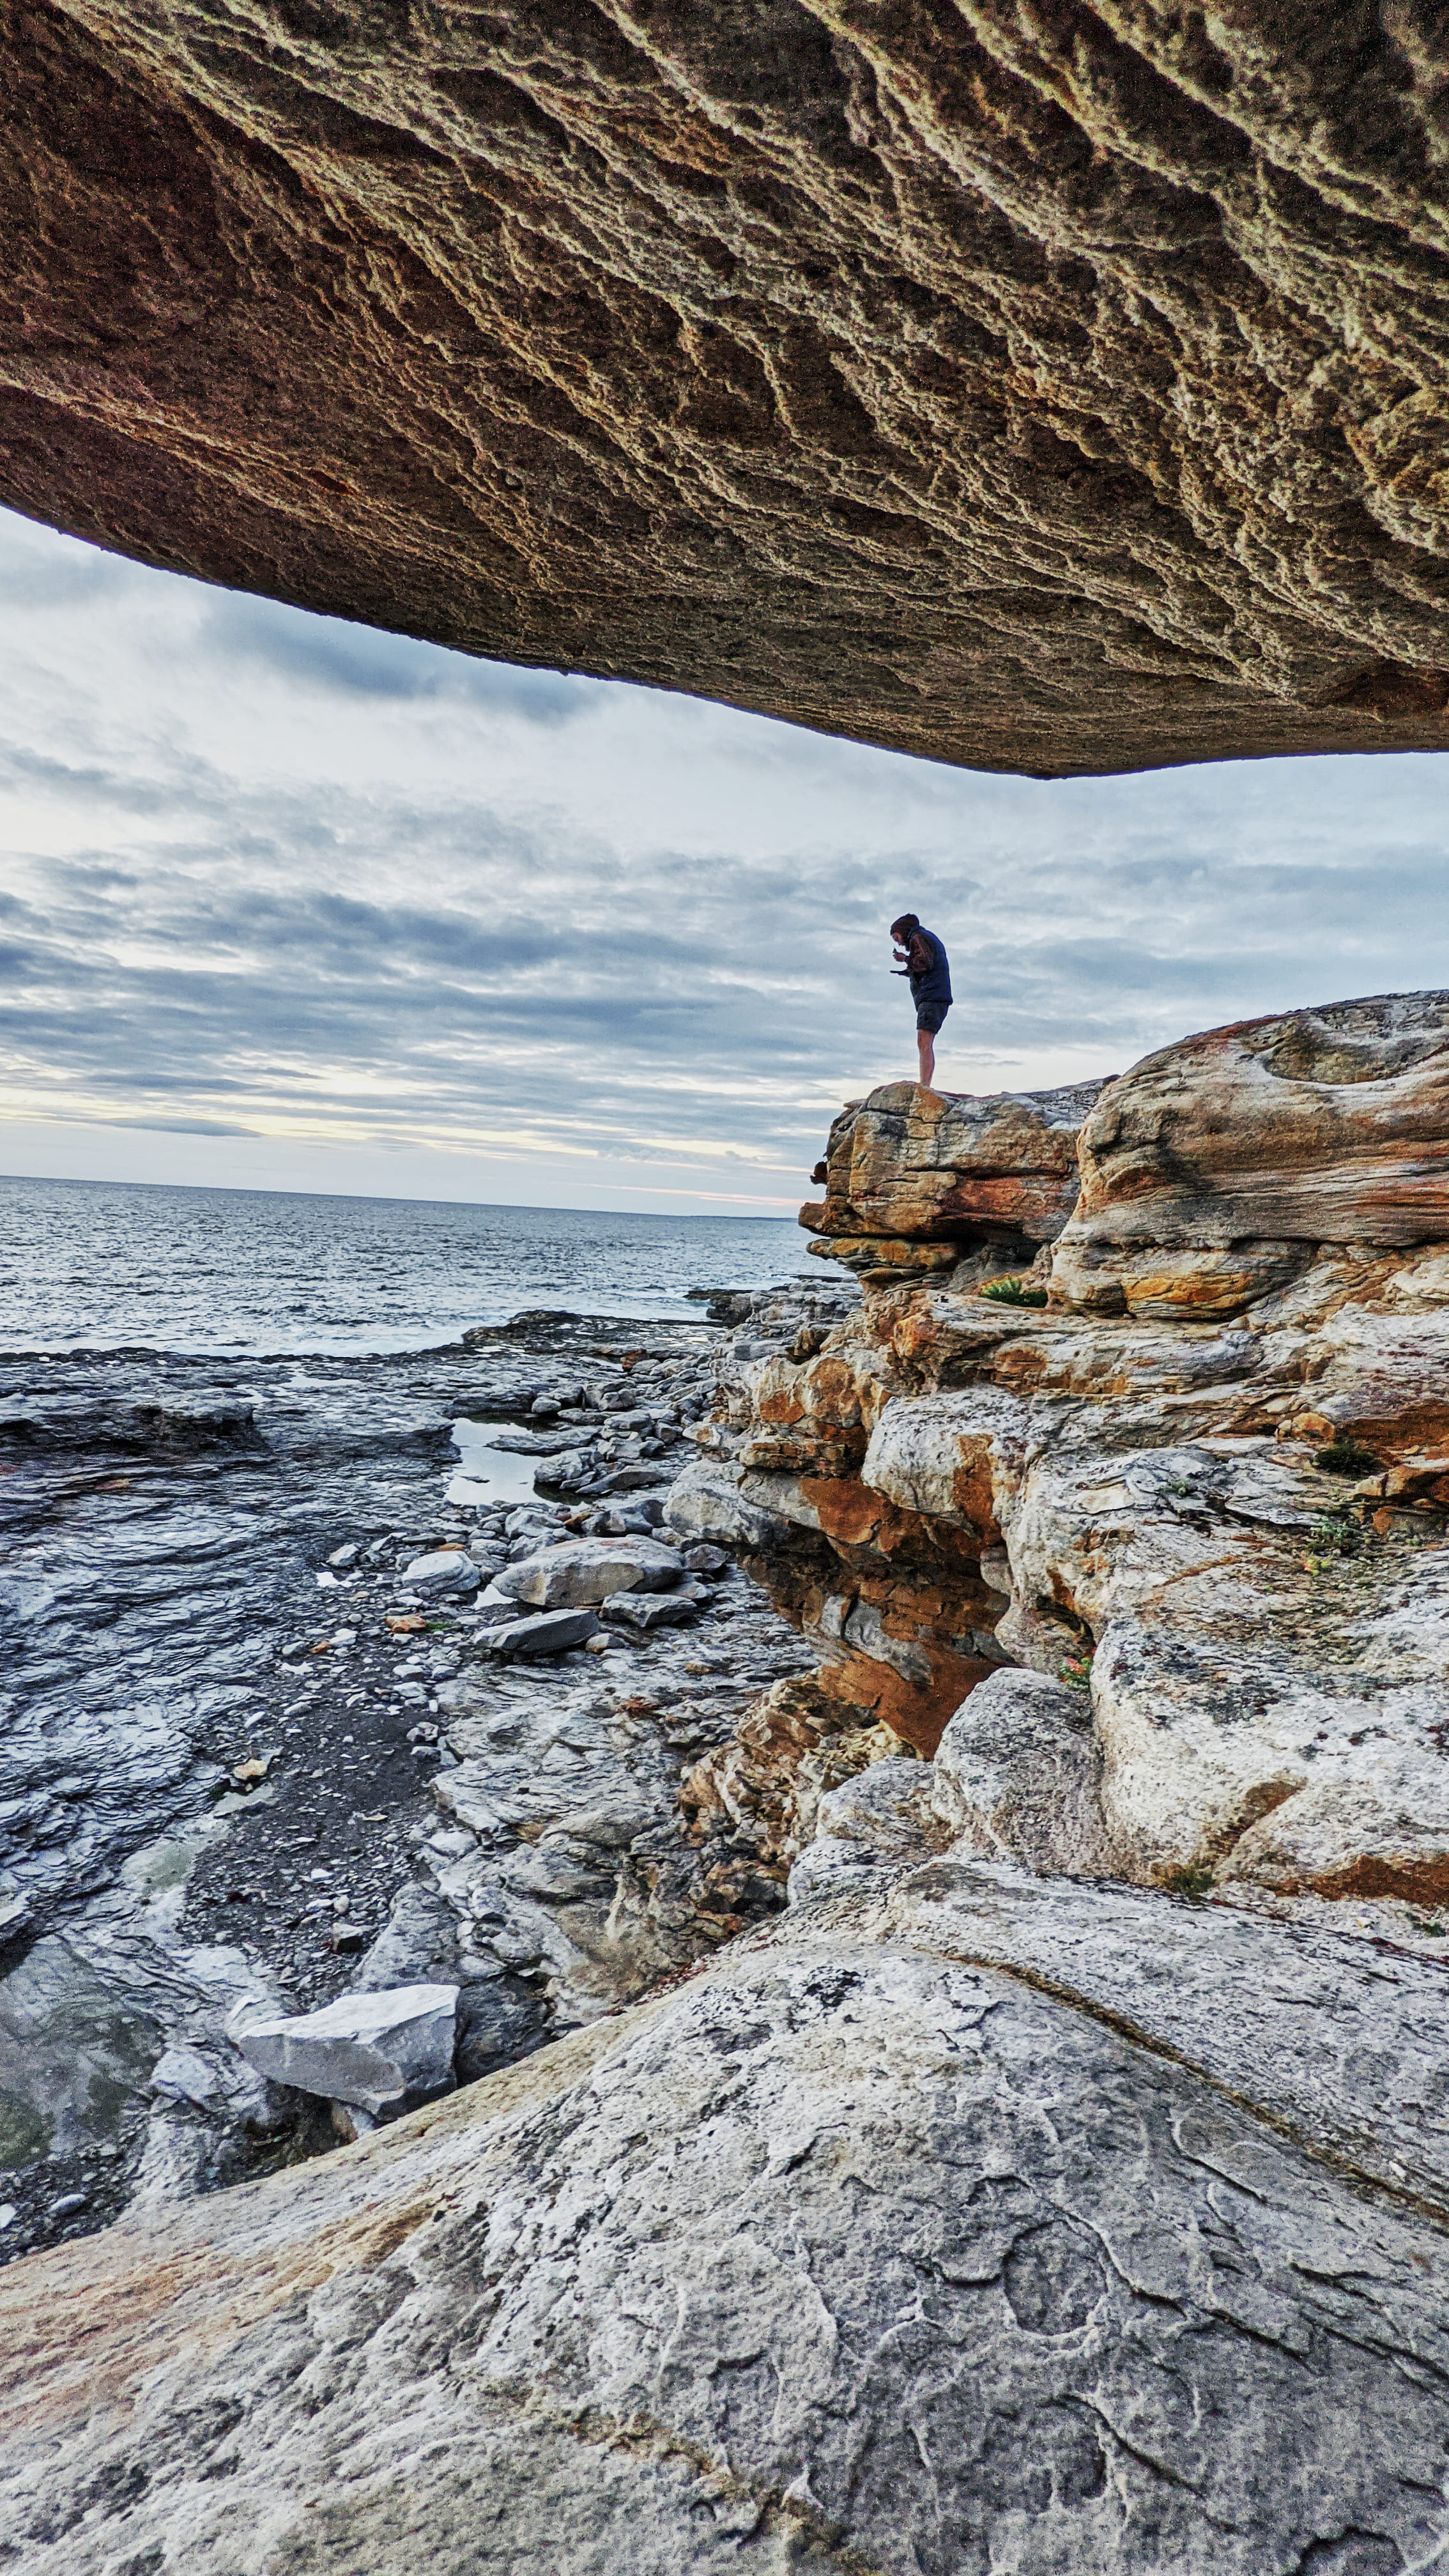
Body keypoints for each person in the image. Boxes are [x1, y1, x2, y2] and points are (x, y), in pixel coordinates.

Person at [890, 912, 952, 1087]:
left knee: (924, 1041)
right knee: (924, 1041)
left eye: (897, 938)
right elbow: (925, 965)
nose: (899, 943)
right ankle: (925, 1084)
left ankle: (924, 1086)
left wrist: (905, 960)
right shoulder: (923, 938)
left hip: (932, 997)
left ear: (903, 931)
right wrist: (907, 968)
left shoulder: (918, 937)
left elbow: (924, 963)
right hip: (935, 996)